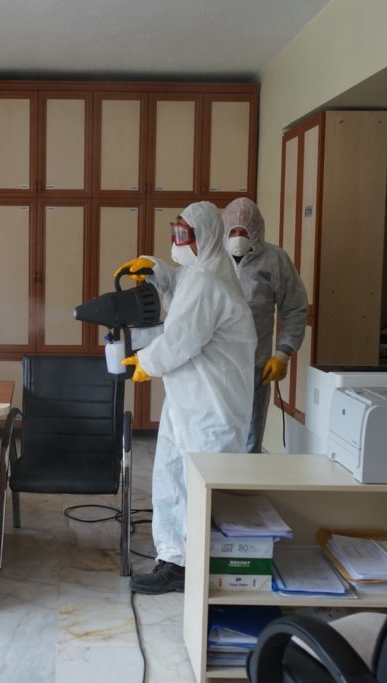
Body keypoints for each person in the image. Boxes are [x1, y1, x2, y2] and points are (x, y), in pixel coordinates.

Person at [116, 201, 256, 594]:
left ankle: (191, 567)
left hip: (212, 409)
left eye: (184, 235)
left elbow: (181, 337)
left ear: (206, 236)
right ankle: (173, 559)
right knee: (170, 478)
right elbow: (181, 293)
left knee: (196, 491)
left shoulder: (210, 282)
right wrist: (156, 269)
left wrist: (145, 362)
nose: (178, 241)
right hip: (188, 403)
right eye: (174, 232)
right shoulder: (203, 271)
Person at [221, 198, 307, 453]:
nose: (238, 237)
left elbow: (294, 307)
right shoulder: (214, 258)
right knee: (216, 435)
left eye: (244, 231)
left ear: (256, 231)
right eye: (233, 231)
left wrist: (283, 353)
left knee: (251, 436)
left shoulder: (275, 259)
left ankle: (245, 479)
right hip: (216, 364)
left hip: (256, 365)